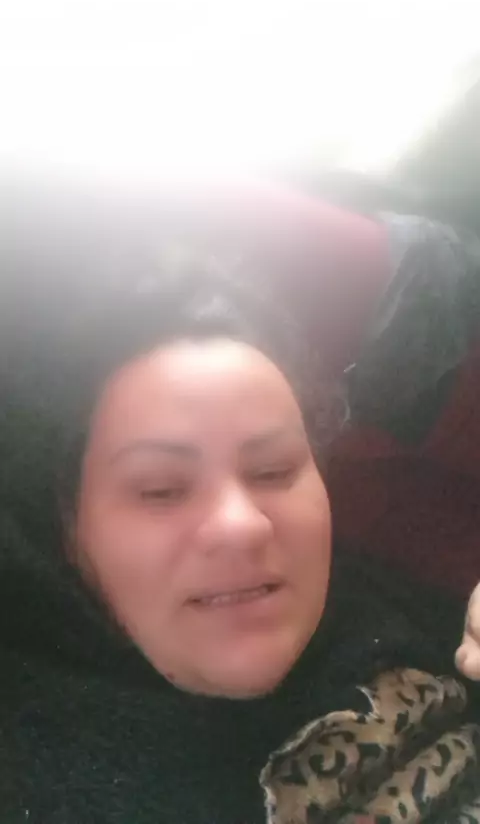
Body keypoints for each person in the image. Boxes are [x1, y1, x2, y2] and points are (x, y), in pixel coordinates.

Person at [1, 249, 480, 824]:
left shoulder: (378, 599)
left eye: (274, 470)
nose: (244, 523)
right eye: (161, 488)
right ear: (66, 530)